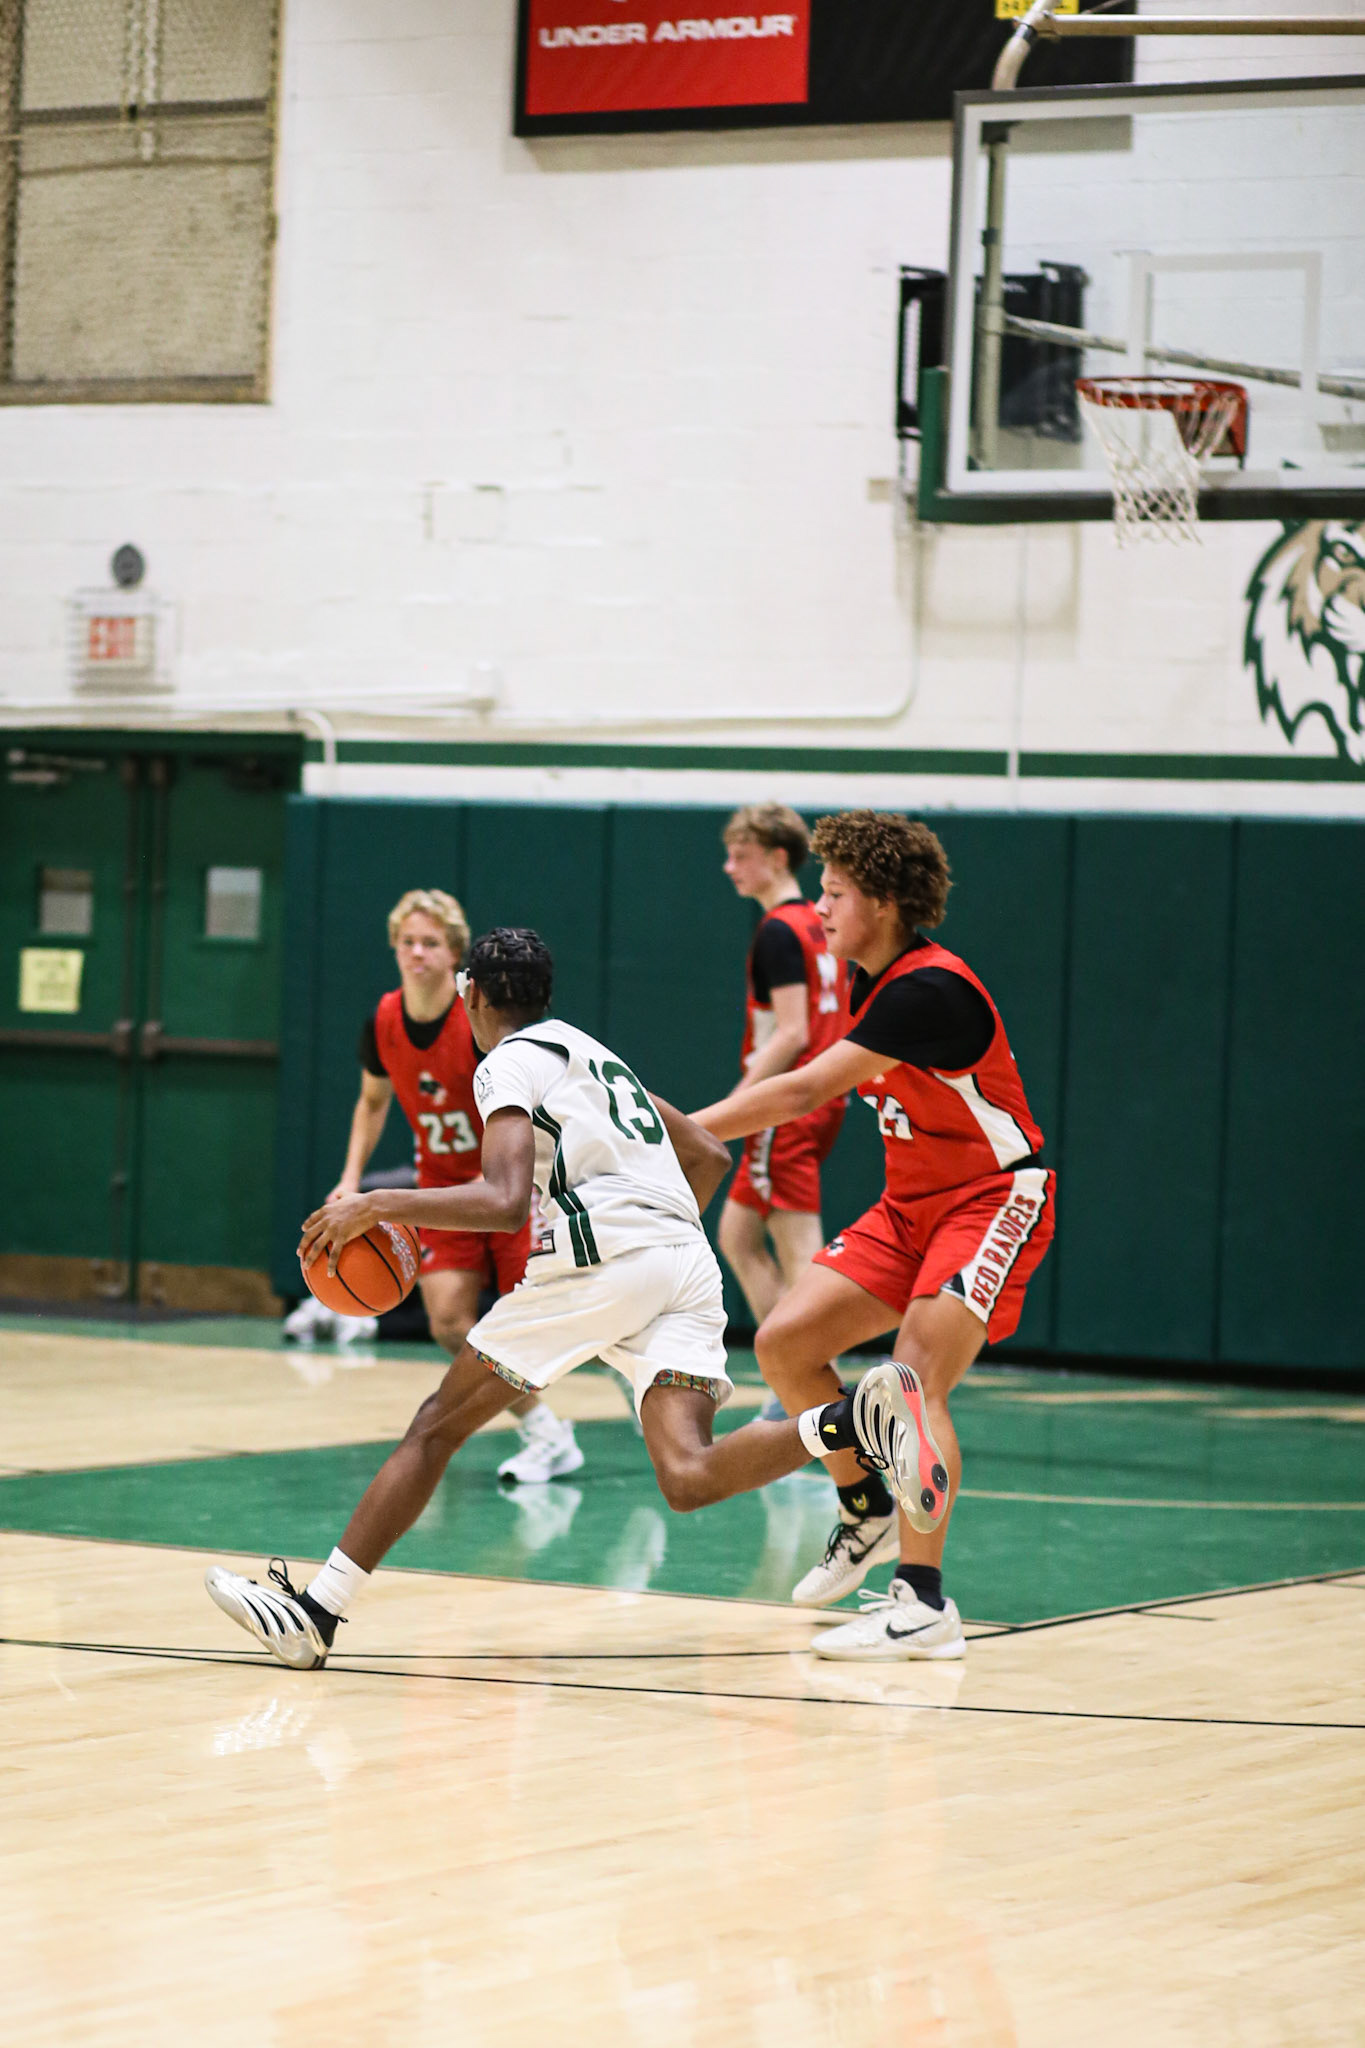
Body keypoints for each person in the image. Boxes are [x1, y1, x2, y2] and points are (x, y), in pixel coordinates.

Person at [204, 928, 940, 1670]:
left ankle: (317, 1614)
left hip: (599, 1262)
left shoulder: (505, 1063)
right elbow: (708, 1153)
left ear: (472, 995)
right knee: (688, 1476)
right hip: (685, 1263)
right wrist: (654, 1242)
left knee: (434, 1428)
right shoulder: (595, 1054)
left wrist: (378, 1203)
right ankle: (855, 1418)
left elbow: (503, 1201)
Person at [692, 812, 1055, 1662]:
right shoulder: (872, 982)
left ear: (884, 903)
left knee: (913, 1381)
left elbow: (799, 1092)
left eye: (835, 893)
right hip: (909, 1206)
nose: (819, 907)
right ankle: (866, 1506)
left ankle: (923, 1604)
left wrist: (674, 1130)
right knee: (784, 1343)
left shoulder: (928, 989)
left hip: (990, 1197)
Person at [327, 887, 581, 1486]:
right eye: (407, 942)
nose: (417, 953)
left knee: (542, 1321)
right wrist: (349, 1178)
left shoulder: (477, 1023)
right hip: (446, 1188)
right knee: (447, 1320)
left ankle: (635, 1379)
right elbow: (372, 1102)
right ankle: (545, 1431)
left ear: (453, 955)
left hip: (513, 1182)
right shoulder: (384, 1021)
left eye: (430, 943)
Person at [717, 806, 848, 1382]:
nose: (729, 867)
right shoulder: (819, 922)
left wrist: (736, 1106)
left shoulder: (778, 930)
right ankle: (791, 1376)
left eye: (741, 856)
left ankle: (820, 1389)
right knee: (738, 1235)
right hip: (821, 1096)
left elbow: (793, 1033)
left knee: (801, 1257)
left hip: (788, 1105)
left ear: (776, 857)